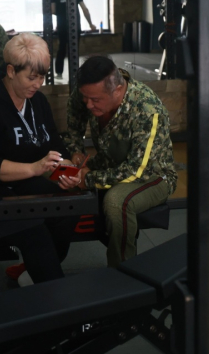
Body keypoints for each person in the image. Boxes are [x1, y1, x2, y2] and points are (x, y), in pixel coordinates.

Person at [0, 32, 81, 284]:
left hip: (16, 181)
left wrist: (66, 170)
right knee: (30, 223)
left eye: (42, 77)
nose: (38, 84)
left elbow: (55, 146)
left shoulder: (38, 102)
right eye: (31, 77)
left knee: (66, 206)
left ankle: (34, 272)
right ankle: (55, 293)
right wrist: (34, 168)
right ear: (11, 71)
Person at [65, 56, 177, 268]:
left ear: (117, 90)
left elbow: (136, 170)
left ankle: (123, 273)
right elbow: (74, 114)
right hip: (110, 162)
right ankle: (42, 262)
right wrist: (76, 151)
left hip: (152, 175)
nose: (88, 104)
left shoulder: (147, 109)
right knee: (57, 174)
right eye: (85, 98)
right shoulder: (89, 92)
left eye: (95, 100)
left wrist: (87, 179)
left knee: (116, 202)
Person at [51, 0, 97, 79]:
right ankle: (74, 74)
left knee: (62, 47)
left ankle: (59, 73)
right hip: (75, 25)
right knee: (74, 49)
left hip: (62, 26)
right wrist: (91, 24)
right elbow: (85, 9)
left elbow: (52, 10)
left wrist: (61, 16)